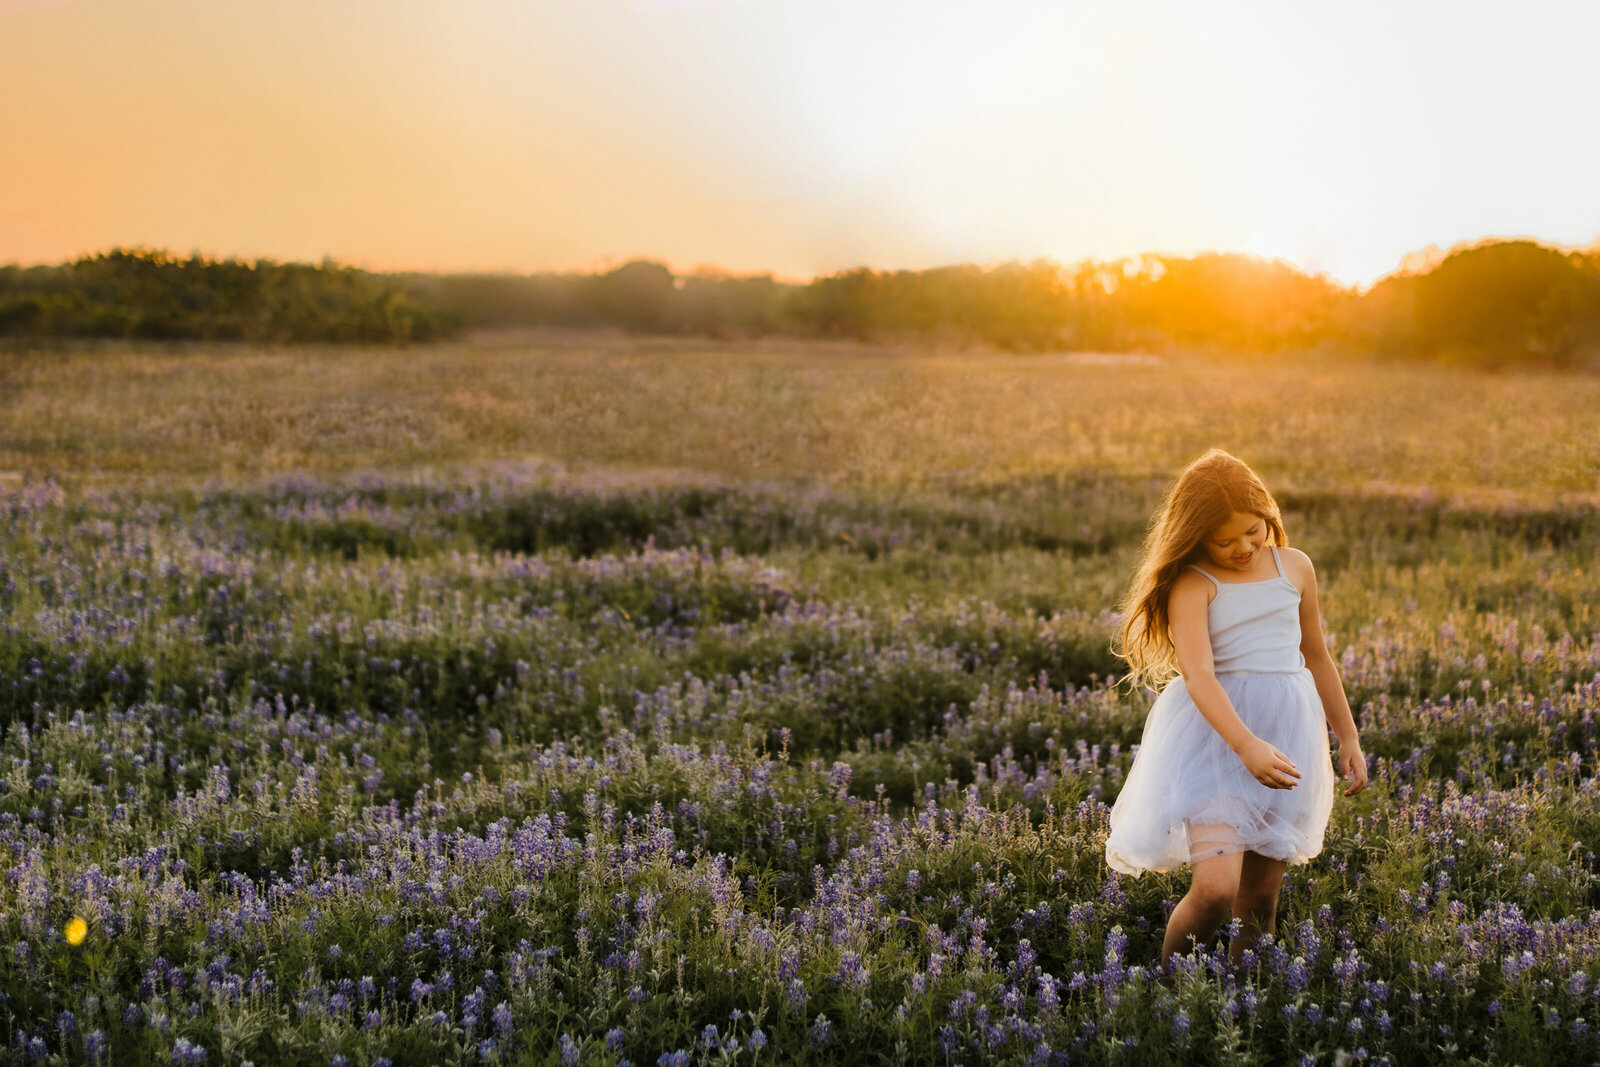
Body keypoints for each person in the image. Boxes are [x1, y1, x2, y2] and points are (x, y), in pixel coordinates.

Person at [1103, 447, 1369, 971]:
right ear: (1195, 537)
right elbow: (1198, 675)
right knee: (1216, 889)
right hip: (1218, 741)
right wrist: (1244, 744)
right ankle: (1169, 991)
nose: (1244, 547)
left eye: (1254, 531)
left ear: (1268, 516)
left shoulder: (1295, 568)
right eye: (1224, 541)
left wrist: (1349, 736)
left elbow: (1316, 655)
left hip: (1288, 735)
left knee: (1260, 900)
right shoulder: (1194, 582)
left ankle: (1247, 999)